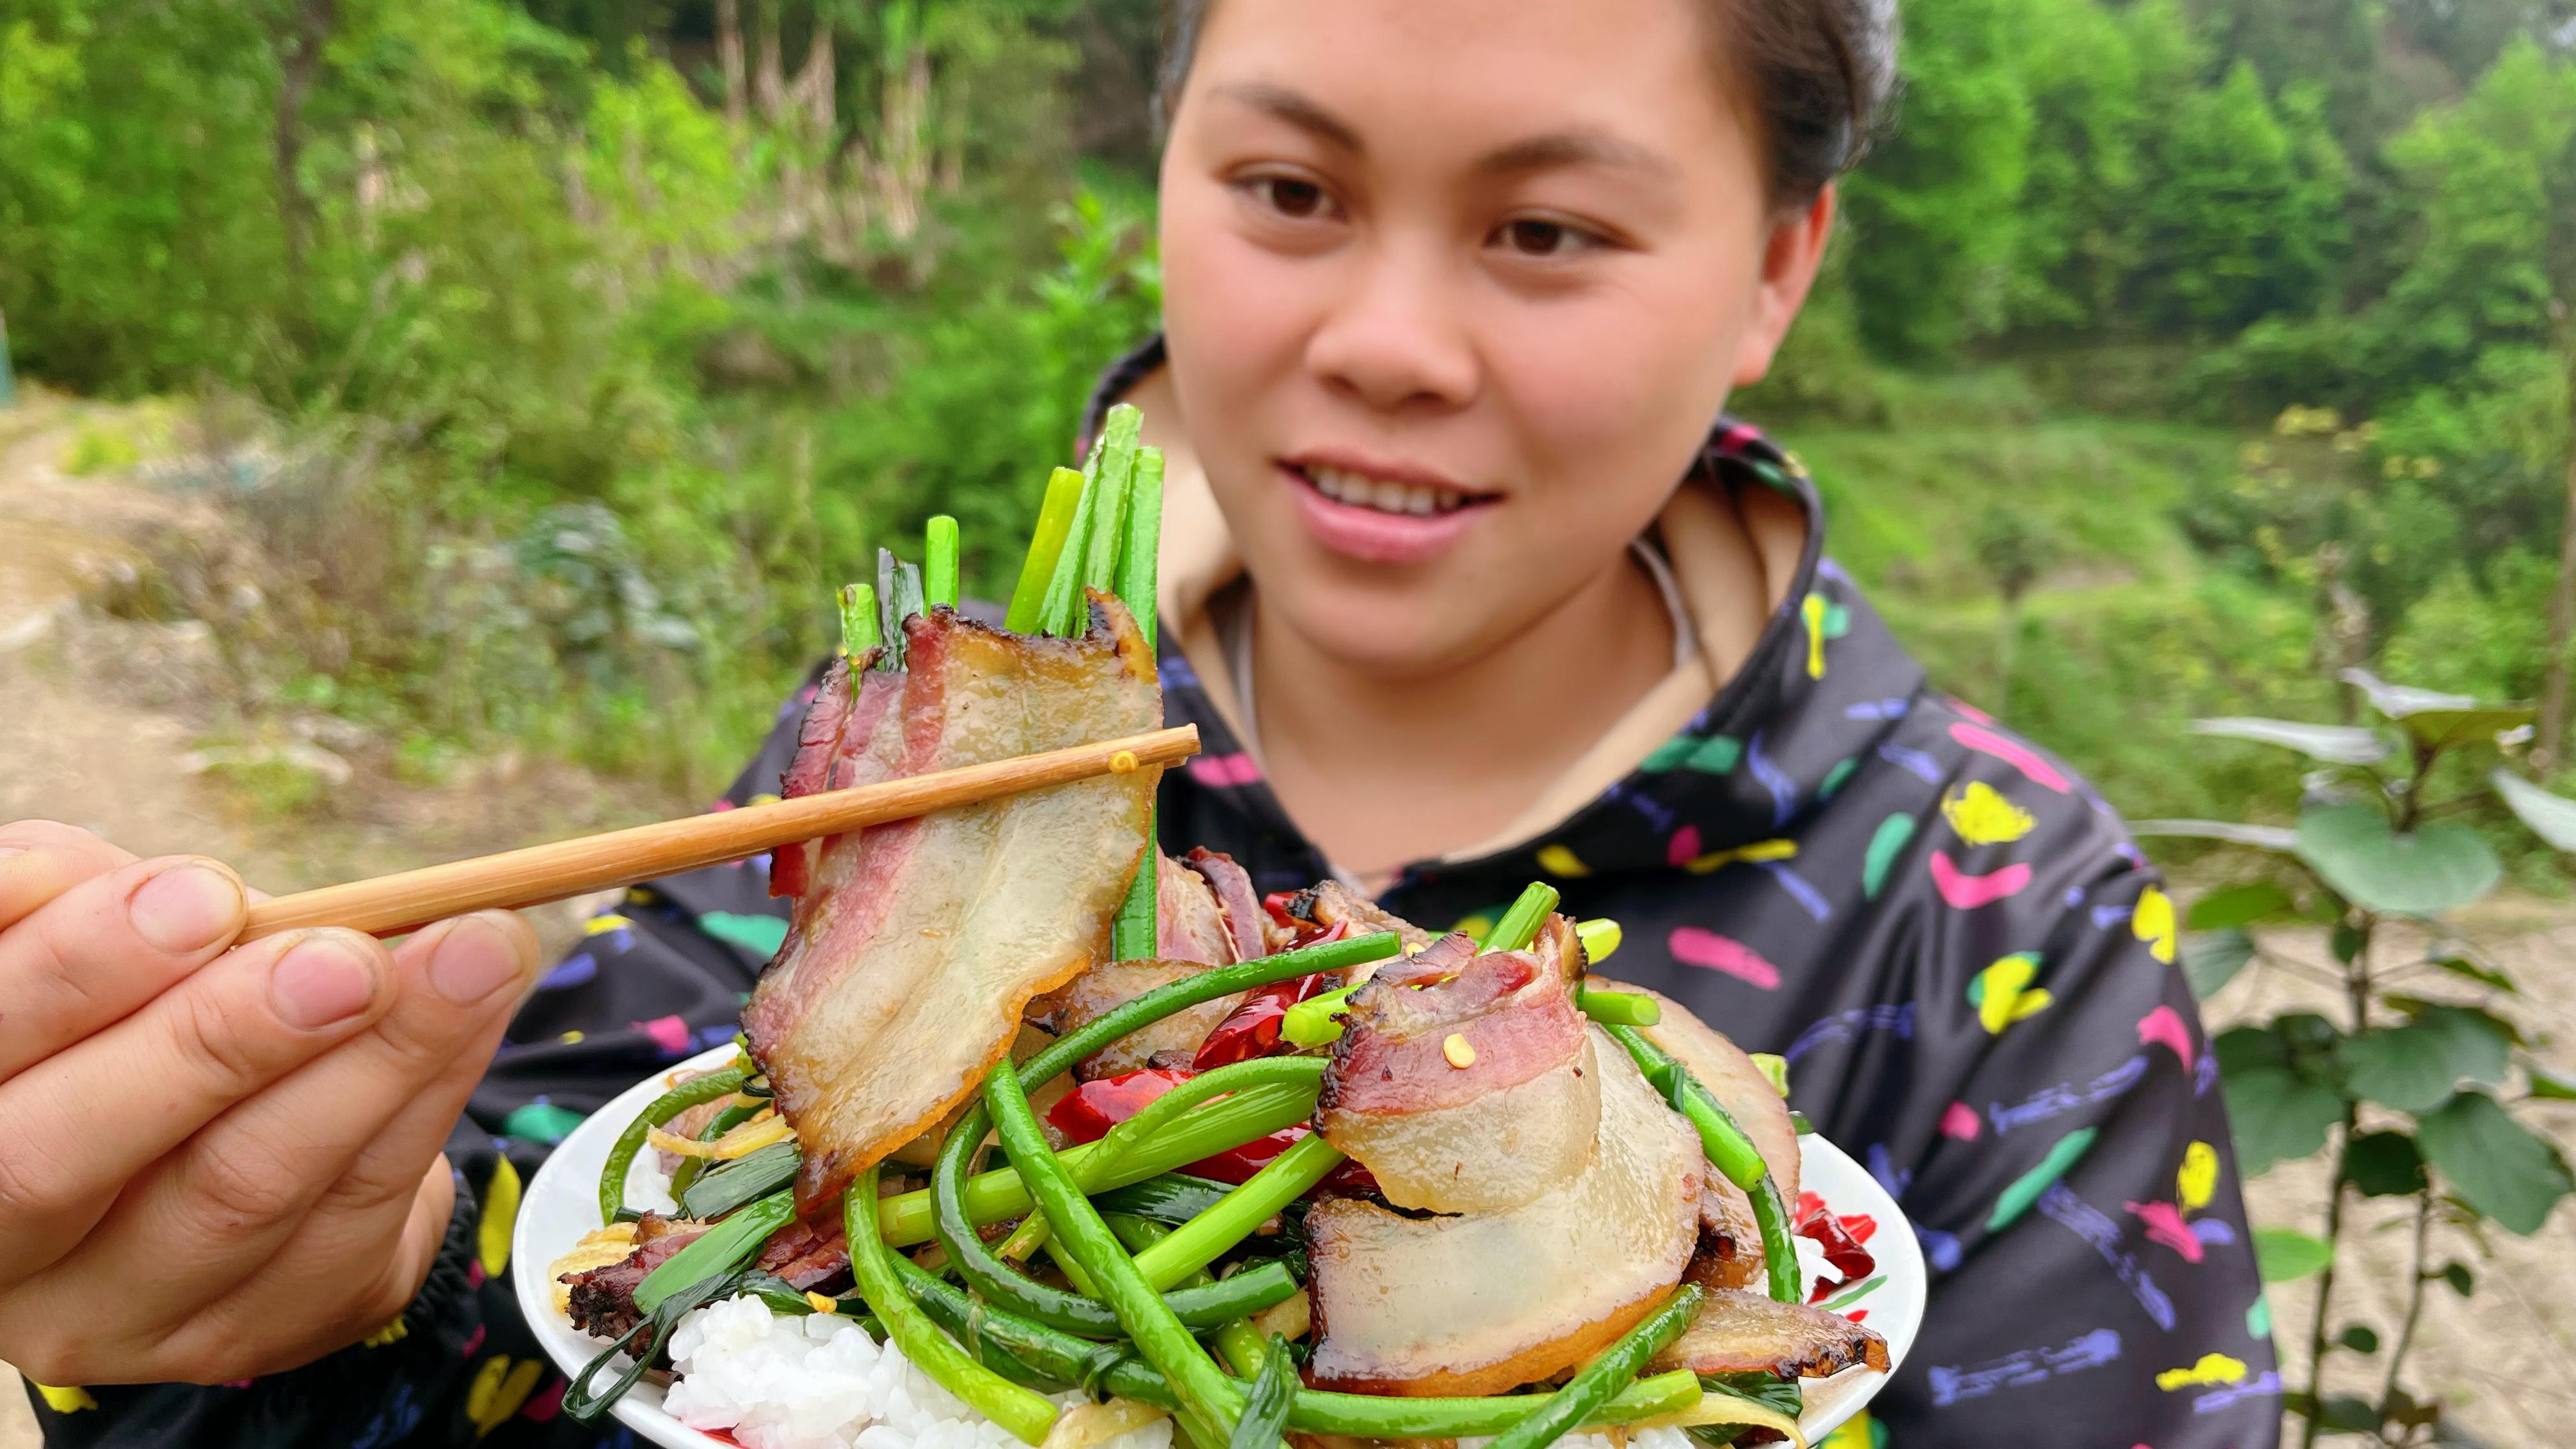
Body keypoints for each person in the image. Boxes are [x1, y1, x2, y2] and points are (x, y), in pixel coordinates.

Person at [3, 0, 2280, 1443]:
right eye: (1288, 190)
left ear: (1781, 263)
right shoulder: (931, 773)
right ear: (1169, 167)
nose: (1386, 341)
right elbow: (595, 1289)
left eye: (1549, 232)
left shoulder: (2004, 918)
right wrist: (309, 1287)